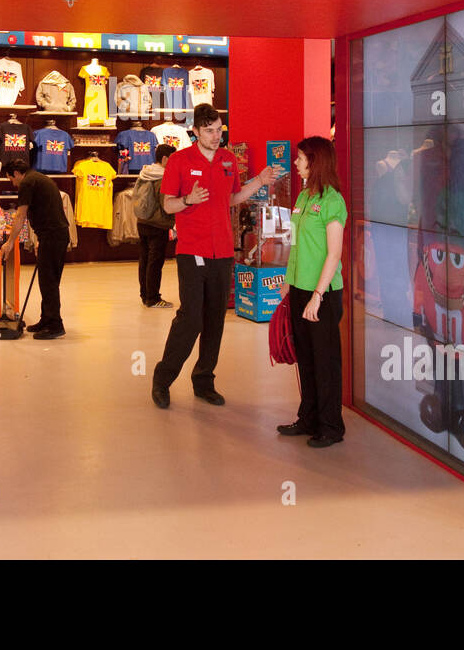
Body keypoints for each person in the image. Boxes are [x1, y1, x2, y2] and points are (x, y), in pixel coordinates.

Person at [152, 104, 281, 408]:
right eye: (209, 130)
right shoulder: (180, 161)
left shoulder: (228, 160)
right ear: (195, 131)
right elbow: (168, 206)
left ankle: (204, 380)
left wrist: (259, 182)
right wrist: (188, 199)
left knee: (215, 320)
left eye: (219, 129)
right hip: (192, 250)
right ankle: (163, 378)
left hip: (223, 252)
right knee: (191, 318)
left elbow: (232, 199)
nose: (215, 136)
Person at [277, 137, 349, 448]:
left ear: (315, 161)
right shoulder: (304, 197)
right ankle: (308, 418)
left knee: (325, 361)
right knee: (305, 358)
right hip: (299, 288)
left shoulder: (333, 202)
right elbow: (296, 244)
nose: (296, 163)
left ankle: (331, 426)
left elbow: (334, 254)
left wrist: (318, 295)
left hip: (323, 294)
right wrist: (288, 281)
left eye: (301, 158)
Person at [2, 158, 71, 340]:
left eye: (11, 179)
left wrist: (10, 242)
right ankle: (46, 319)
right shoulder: (40, 178)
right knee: (47, 280)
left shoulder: (27, 182)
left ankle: (55, 325)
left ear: (16, 174)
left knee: (48, 282)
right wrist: (40, 239)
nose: (14, 184)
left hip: (52, 236)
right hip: (54, 235)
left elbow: (20, 216)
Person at [134, 144, 176, 308]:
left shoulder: (146, 173)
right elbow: (166, 204)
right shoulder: (162, 177)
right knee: (155, 262)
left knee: (144, 260)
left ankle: (145, 294)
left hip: (142, 221)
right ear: (165, 159)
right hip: (158, 224)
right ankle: (153, 298)